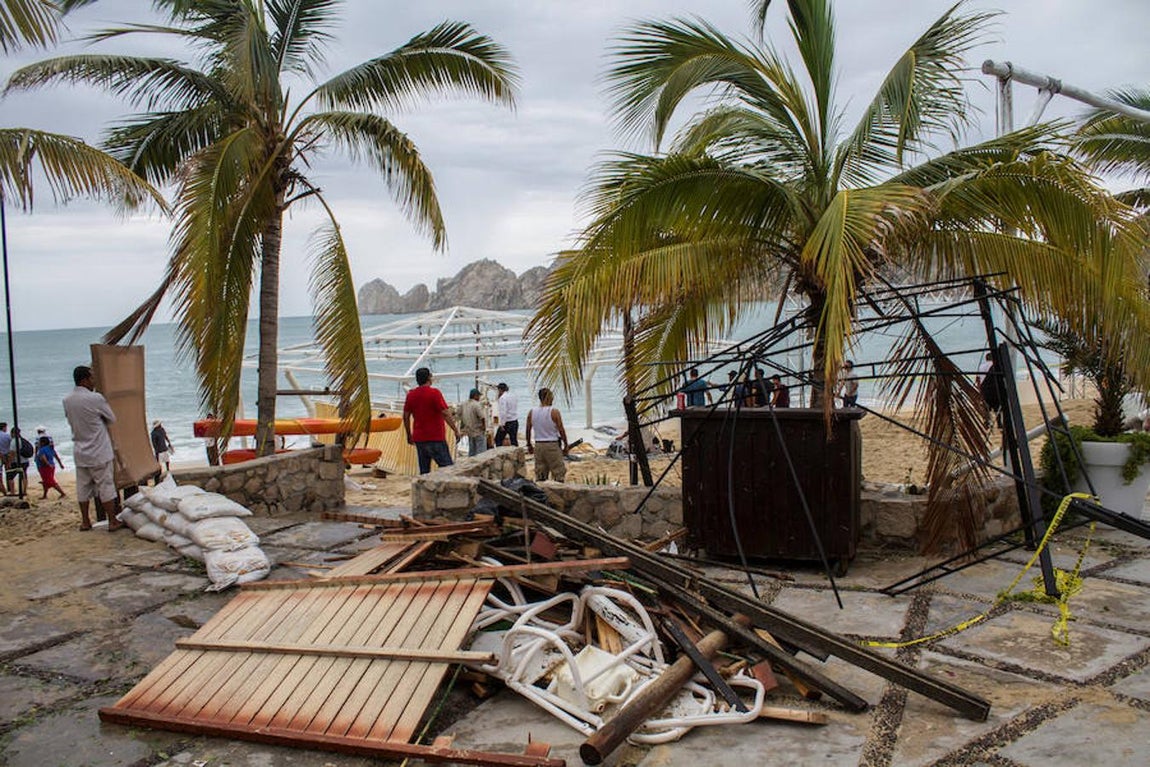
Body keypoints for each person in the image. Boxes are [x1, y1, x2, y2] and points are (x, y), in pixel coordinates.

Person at [63, 365, 122, 531]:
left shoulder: (67, 400)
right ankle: (112, 520)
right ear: (84, 380)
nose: (94, 381)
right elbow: (111, 418)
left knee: (82, 487)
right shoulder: (95, 398)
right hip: (99, 450)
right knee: (105, 486)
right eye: (92, 378)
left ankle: (85, 521)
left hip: (80, 450)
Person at [402, 367, 460, 474]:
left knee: (424, 471)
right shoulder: (434, 393)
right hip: (435, 437)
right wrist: (455, 430)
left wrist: (409, 435)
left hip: (419, 438)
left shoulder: (411, 395)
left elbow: (406, 416)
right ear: (429, 378)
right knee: (447, 469)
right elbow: (445, 413)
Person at [525, 387, 569, 482]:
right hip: (552, 444)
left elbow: (528, 430)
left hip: (538, 445)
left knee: (540, 473)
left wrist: (529, 444)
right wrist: (566, 444)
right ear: (548, 397)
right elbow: (561, 430)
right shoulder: (554, 412)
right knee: (558, 472)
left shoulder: (532, 412)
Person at [460, 388, 489, 457]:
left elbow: (459, 415)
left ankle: (471, 462)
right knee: (481, 451)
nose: (479, 398)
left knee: (472, 450)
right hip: (478, 430)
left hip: (469, 431)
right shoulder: (476, 404)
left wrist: (462, 427)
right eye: (478, 396)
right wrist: (484, 427)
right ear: (475, 396)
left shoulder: (464, 404)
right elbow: (482, 417)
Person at [7, 426, 33, 496]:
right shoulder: (23, 440)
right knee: (24, 476)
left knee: (10, 476)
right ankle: (24, 491)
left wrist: (9, 463)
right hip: (25, 461)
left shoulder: (14, 441)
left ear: (12, 433)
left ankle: (12, 492)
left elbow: (12, 453)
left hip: (17, 462)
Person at [494, 382, 520, 446]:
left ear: (500, 390)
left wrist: (502, 424)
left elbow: (503, 412)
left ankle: (499, 451)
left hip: (507, 422)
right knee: (514, 440)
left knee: (498, 439)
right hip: (514, 420)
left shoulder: (503, 398)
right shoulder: (513, 396)